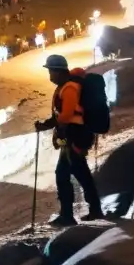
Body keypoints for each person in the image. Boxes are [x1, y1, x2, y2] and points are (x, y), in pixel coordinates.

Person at [34, 55, 104, 226]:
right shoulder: (65, 87)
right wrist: (47, 125)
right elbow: (62, 115)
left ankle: (72, 214)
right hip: (72, 136)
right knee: (71, 174)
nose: (50, 75)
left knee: (73, 174)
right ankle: (83, 211)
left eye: (51, 71)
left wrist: (51, 126)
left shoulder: (70, 88)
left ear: (58, 71)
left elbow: (66, 115)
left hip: (76, 136)